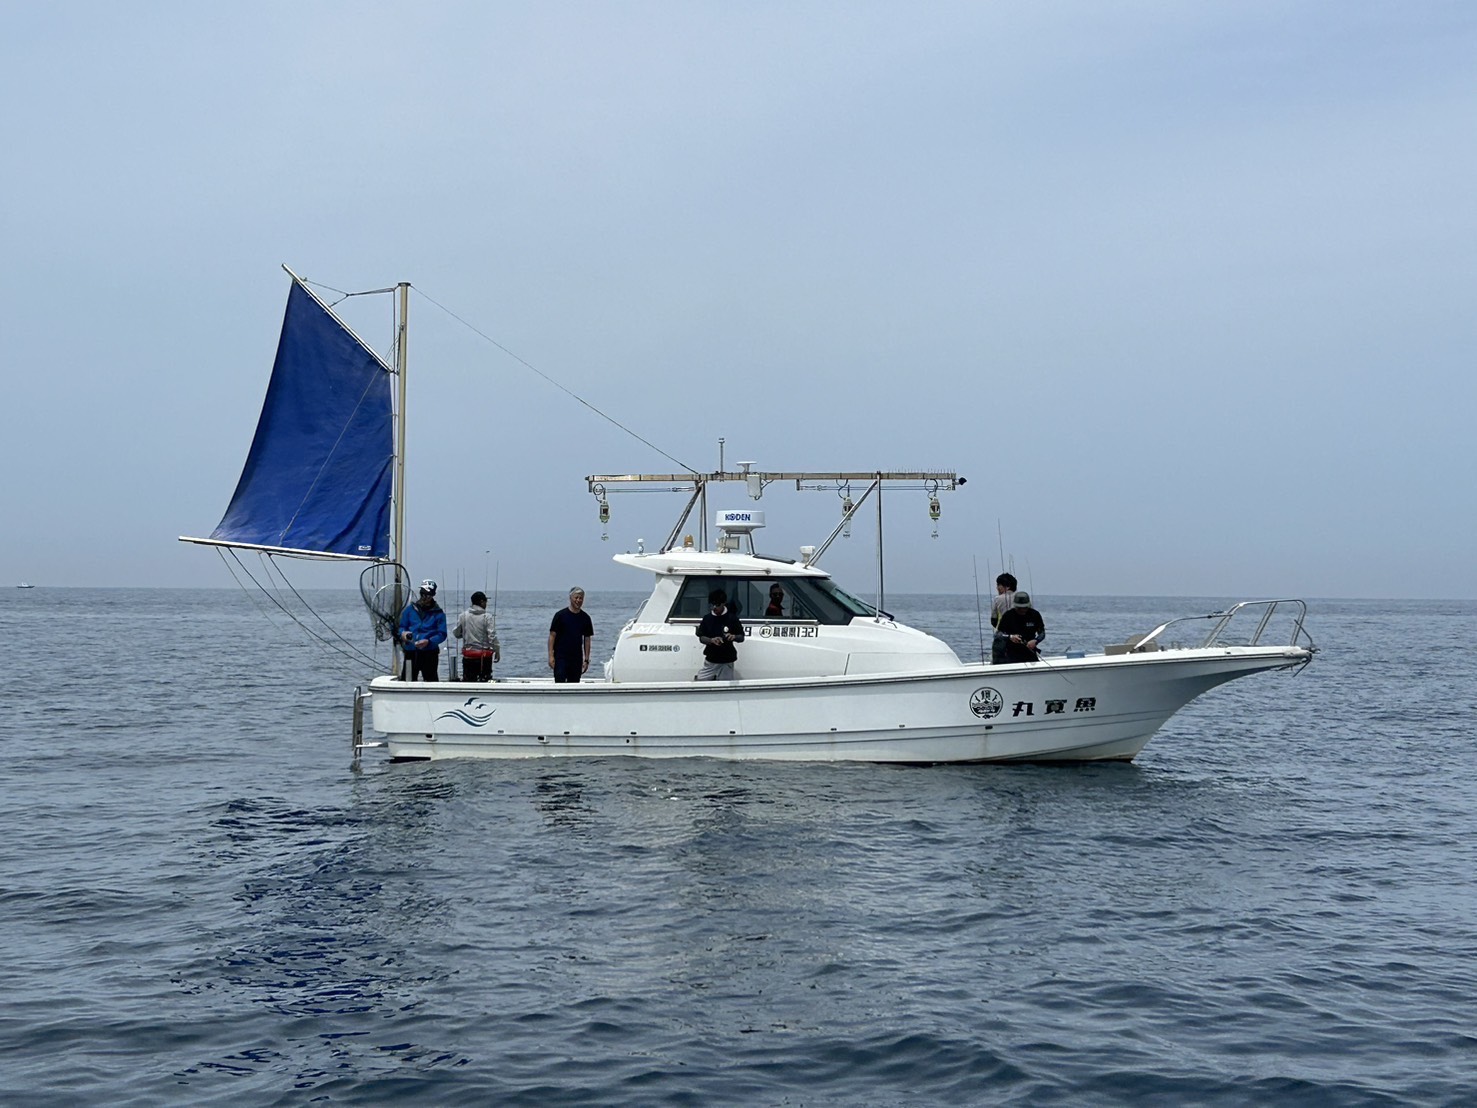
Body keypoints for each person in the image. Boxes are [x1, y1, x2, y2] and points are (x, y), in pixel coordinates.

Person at [398, 579, 447, 681]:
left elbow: (442, 634)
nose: (425, 597)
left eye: (428, 595)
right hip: (411, 651)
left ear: (433, 595)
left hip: (430, 653)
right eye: (423, 594)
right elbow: (401, 627)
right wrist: (403, 634)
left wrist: (429, 641)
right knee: (407, 681)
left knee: (431, 682)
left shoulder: (439, 613)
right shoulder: (410, 610)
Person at [695, 588, 745, 680]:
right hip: (711, 659)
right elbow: (701, 637)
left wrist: (733, 636)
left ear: (724, 603)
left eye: (717, 605)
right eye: (712, 604)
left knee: (725, 685)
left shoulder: (732, 618)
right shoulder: (707, 618)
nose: (714, 607)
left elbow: (741, 637)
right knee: (701, 681)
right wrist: (711, 640)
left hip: (727, 660)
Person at [548, 587, 594, 683]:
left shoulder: (586, 618)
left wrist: (586, 660)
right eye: (576, 598)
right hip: (561, 657)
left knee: (574, 684)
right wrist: (551, 656)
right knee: (560, 683)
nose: (578, 600)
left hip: (576, 658)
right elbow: (552, 636)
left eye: (581, 598)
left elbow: (587, 639)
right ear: (570, 598)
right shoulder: (560, 616)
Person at [454, 590, 501, 682]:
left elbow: (456, 633)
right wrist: (497, 650)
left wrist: (465, 634)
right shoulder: (487, 617)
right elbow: (492, 636)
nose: (486, 604)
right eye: (486, 601)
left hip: (468, 655)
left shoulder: (463, 616)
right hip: (484, 656)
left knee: (469, 681)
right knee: (485, 680)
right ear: (482, 602)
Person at [994, 590, 1045, 664]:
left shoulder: (1035, 615)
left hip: (1030, 652)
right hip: (1012, 654)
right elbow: (998, 634)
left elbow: (1042, 633)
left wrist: (1036, 641)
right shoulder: (1008, 615)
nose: (1022, 610)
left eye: (1025, 608)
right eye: (1019, 608)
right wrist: (1010, 637)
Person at [990, 572, 1018, 664]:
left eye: (999, 585)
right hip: (1019, 637)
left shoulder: (997, 599)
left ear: (1007, 586)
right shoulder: (1021, 598)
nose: (997, 588)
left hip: (1002, 637)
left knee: (998, 663)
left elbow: (993, 620)